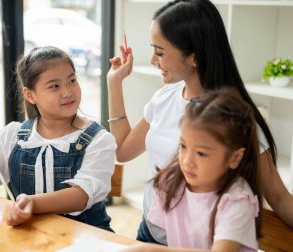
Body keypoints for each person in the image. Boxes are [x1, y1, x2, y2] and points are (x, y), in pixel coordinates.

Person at [107, 0, 293, 244]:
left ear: (194, 57)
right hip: (149, 232)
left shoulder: (232, 118)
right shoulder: (165, 97)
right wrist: (114, 83)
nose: (153, 59)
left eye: (160, 52)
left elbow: (278, 197)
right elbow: (123, 150)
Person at [0, 46, 116, 231]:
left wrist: (32, 203)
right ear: (30, 95)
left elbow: (81, 197)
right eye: (54, 86)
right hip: (29, 234)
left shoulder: (98, 139)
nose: (68, 92)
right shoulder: (13, 136)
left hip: (86, 235)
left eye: (72, 80)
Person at [126, 89, 262, 252]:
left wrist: (150, 250)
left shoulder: (236, 200)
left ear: (235, 158)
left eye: (201, 153)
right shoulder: (172, 182)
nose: (186, 161)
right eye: (183, 146)